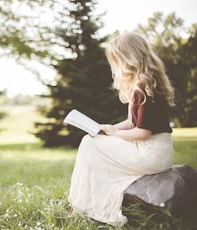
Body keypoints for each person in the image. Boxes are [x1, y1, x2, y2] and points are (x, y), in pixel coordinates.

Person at [68, 32, 175, 226]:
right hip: (159, 150)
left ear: (128, 59)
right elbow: (132, 123)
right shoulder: (143, 83)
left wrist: (114, 134)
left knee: (88, 144)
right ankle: (85, 203)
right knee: (92, 141)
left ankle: (85, 205)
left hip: (151, 152)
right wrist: (106, 128)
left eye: (116, 60)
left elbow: (142, 133)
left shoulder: (142, 86)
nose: (115, 67)